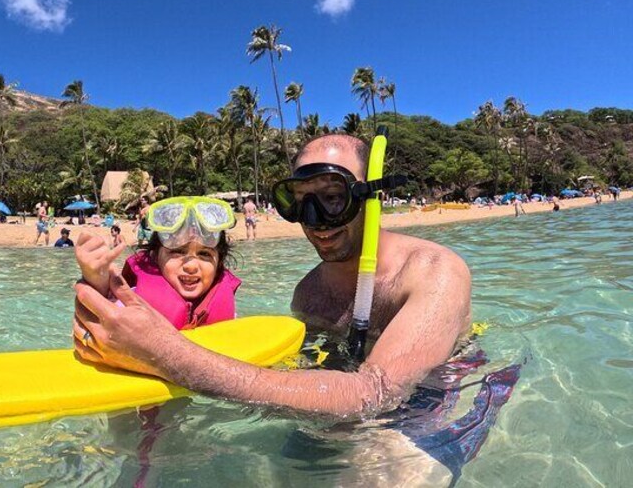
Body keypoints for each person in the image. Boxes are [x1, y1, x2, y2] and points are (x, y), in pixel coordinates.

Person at [74, 133, 472, 418]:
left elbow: (376, 393)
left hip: (432, 409)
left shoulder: (434, 273)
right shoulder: (309, 295)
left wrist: (166, 354)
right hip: (335, 416)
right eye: (298, 202)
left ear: (370, 195)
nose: (315, 222)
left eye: (333, 198)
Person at [76, 196, 239, 330]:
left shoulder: (228, 308)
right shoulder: (131, 303)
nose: (191, 266)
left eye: (204, 254)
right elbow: (97, 326)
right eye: (177, 251)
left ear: (219, 263)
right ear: (154, 256)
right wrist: (97, 282)